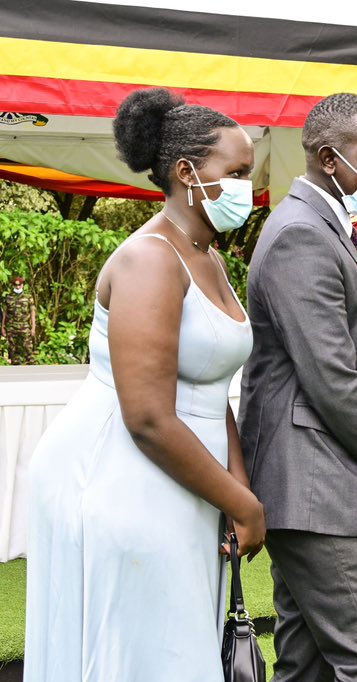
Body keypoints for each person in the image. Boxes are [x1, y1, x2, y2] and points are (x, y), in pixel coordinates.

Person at [25, 87, 264, 680]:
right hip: (123, 471)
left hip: (187, 471)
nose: (247, 190)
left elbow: (213, 385)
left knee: (179, 642)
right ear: (187, 172)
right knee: (147, 647)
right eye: (235, 173)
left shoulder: (205, 253)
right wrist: (244, 504)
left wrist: (236, 484)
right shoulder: (150, 259)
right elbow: (149, 417)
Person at [239, 93, 357, 682]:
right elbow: (333, 379)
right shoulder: (302, 234)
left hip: (316, 485)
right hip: (319, 488)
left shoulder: (325, 224)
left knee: (308, 662)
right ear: (328, 158)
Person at [2, 275, 37, 364]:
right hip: (11, 327)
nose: (17, 287)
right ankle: (16, 369)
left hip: (24, 326)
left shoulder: (28, 297)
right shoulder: (8, 297)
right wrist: (2, 327)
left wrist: (33, 327)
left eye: (19, 285)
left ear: (22, 285)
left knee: (28, 348)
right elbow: (4, 313)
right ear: (13, 285)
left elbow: (32, 312)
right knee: (13, 350)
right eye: (15, 285)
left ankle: (33, 368)